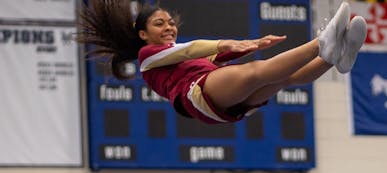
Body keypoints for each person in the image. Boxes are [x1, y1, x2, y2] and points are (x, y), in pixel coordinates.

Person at [77, 1, 367, 124]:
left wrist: (251, 45)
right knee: (256, 72)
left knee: (283, 79)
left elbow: (211, 57)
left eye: (170, 22)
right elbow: (191, 51)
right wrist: (225, 43)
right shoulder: (146, 57)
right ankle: (321, 43)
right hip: (198, 94)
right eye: (159, 23)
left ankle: (336, 57)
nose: (168, 27)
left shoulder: (169, 56)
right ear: (143, 34)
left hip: (214, 102)